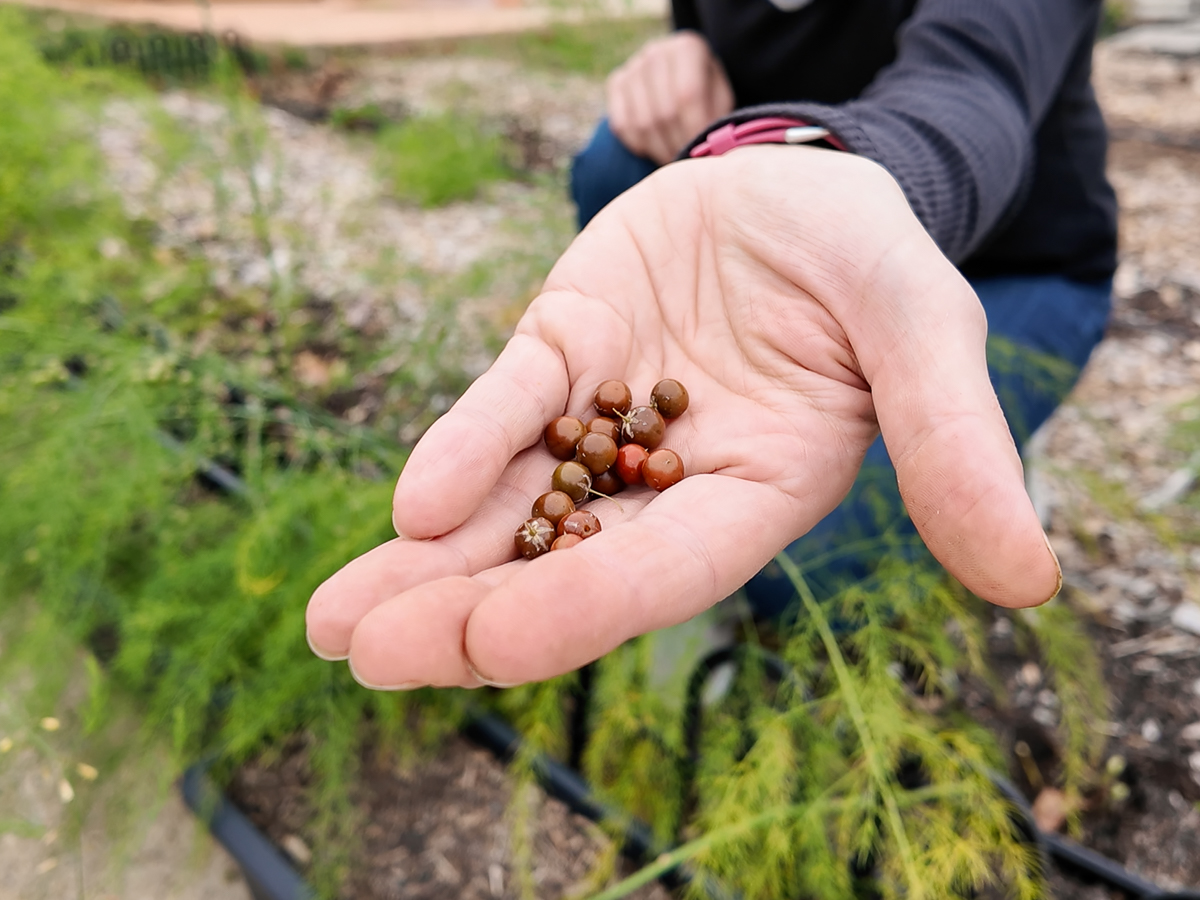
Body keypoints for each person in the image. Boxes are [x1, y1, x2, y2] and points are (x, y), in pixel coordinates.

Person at [304, 0, 1116, 691]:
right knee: (612, 159)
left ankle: (990, 437)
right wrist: (682, 51)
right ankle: (696, 360)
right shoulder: (618, 444)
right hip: (772, 240)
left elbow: (976, 84)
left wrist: (837, 165)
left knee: (810, 574)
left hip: (1012, 265)